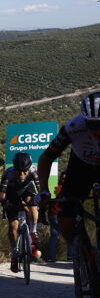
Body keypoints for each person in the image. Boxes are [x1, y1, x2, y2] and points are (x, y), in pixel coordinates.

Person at [37, 92, 100, 251]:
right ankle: (84, 256)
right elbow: (46, 158)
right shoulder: (73, 128)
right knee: (65, 221)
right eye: (92, 125)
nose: (97, 131)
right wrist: (43, 190)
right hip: (81, 168)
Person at [0, 151, 40, 273]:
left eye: (24, 171)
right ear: (14, 168)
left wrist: (43, 199)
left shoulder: (33, 171)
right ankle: (14, 254)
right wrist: (4, 201)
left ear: (29, 168)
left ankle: (33, 231)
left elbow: (40, 188)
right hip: (11, 192)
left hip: (27, 189)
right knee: (13, 226)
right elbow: (1, 195)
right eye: (18, 171)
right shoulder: (9, 173)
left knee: (33, 204)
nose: (21, 173)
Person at [46, 172, 73, 262]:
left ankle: (52, 257)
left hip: (57, 213)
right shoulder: (66, 189)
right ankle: (69, 256)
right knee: (66, 233)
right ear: (60, 178)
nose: (64, 180)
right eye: (63, 178)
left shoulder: (55, 187)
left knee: (55, 235)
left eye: (65, 179)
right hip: (56, 214)